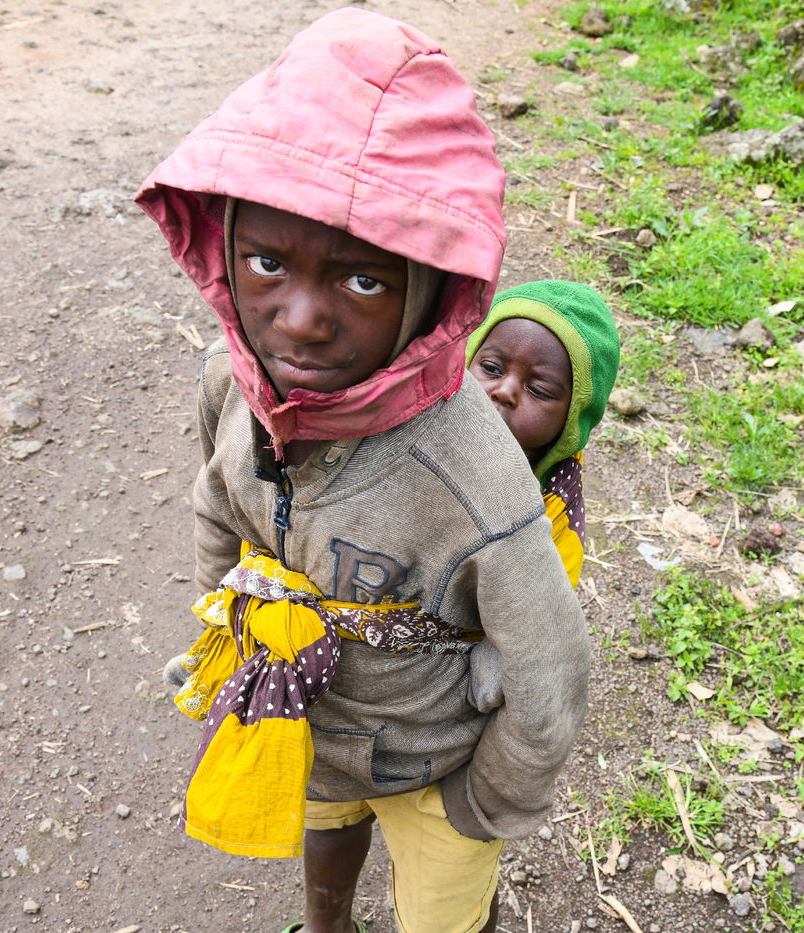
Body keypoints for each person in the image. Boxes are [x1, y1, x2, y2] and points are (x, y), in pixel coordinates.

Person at [135, 9, 590, 933]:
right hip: (304, 717)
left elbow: (553, 666)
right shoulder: (231, 383)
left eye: (362, 281)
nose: (299, 319)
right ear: (221, 246)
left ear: (428, 286)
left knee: (442, 915)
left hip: (437, 761)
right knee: (323, 836)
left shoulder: (472, 472)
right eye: (267, 262)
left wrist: (489, 800)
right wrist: (228, 634)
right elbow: (215, 507)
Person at [465, 280, 620, 589]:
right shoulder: (407, 432)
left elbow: (545, 620)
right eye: (492, 368)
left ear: (572, 422)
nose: (504, 391)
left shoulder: (556, 521)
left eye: (539, 389)